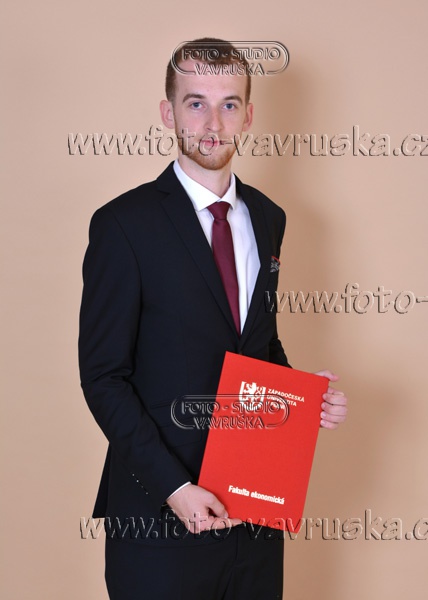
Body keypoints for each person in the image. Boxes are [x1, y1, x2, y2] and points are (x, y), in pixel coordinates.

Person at [78, 38, 348, 600]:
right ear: (168, 112)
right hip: (158, 518)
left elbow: (259, 346)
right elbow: (103, 377)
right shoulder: (123, 224)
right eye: (195, 102)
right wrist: (175, 488)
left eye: (228, 104)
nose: (212, 122)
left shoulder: (269, 218)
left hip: (255, 514)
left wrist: (304, 399)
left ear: (248, 115)